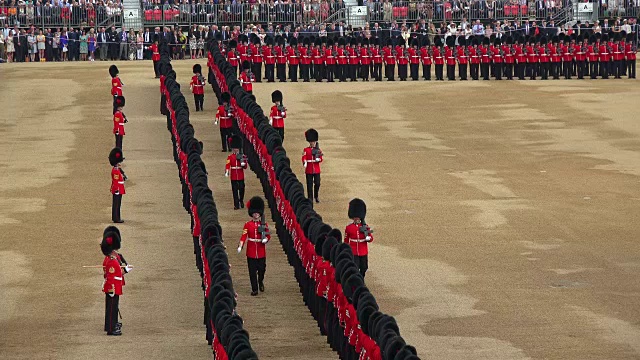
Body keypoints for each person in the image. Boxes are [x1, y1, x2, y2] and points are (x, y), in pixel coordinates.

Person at [237, 196, 271, 296]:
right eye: (254, 213)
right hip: (251, 251)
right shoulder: (248, 225)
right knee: (252, 272)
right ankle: (255, 289)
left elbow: (268, 235)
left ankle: (260, 281)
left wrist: (266, 239)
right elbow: (244, 236)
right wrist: (240, 246)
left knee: (262, 269)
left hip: (261, 251)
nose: (256, 215)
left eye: (257, 213)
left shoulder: (264, 224)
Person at [101, 228, 126, 336]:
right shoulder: (111, 260)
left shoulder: (112, 258)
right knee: (111, 308)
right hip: (113, 287)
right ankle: (111, 328)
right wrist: (125, 270)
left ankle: (112, 324)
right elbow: (113, 274)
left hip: (115, 286)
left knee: (113, 307)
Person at [344, 198, 374, 278]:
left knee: (364, 267)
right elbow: (346, 240)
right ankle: (358, 280)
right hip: (353, 251)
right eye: (355, 217)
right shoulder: (349, 228)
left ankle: (361, 277)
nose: (356, 218)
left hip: (363, 250)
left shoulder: (365, 227)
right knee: (355, 268)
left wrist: (367, 237)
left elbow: (371, 238)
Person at [225, 135, 248, 210]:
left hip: (240, 175)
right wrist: (227, 171)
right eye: (234, 148)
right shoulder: (230, 157)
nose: (235, 150)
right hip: (234, 175)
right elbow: (228, 164)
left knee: (241, 189)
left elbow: (245, 167)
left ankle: (241, 200)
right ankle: (236, 204)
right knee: (234, 191)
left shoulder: (242, 156)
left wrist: (243, 163)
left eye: (236, 148)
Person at [302, 128, 323, 204]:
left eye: (313, 142)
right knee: (309, 184)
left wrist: (318, 159)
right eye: (311, 142)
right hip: (309, 169)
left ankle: (316, 196)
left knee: (317, 183)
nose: (312, 143)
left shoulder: (318, 150)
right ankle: (310, 198)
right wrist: (305, 162)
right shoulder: (306, 150)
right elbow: (304, 157)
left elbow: (321, 158)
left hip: (316, 169)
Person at [109, 147, 126, 223]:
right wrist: (116, 189)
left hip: (119, 188)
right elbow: (116, 181)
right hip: (118, 189)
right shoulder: (115, 171)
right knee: (116, 204)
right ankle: (116, 217)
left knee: (117, 204)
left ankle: (116, 216)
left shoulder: (116, 169)